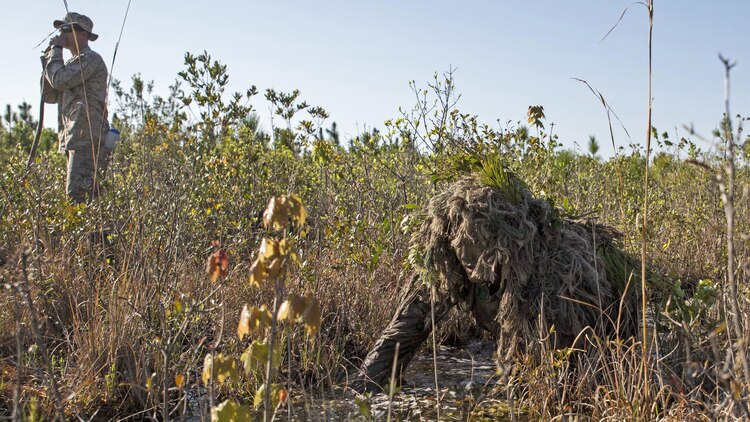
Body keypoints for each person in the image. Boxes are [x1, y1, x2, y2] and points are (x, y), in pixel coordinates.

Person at [355, 168, 640, 392]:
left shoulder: (551, 277)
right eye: (461, 246)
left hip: (597, 336)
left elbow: (555, 367)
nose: (469, 260)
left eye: (479, 247)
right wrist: (365, 389)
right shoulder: (446, 265)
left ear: (504, 246)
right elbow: (404, 331)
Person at [42, 12, 111, 204]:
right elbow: (50, 96)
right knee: (81, 200)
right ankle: (93, 235)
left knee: (79, 198)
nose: (61, 34)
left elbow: (60, 81)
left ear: (82, 33)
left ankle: (96, 236)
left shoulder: (91, 60)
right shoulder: (71, 64)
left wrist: (56, 52)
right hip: (74, 140)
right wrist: (49, 60)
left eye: (66, 29)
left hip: (88, 139)